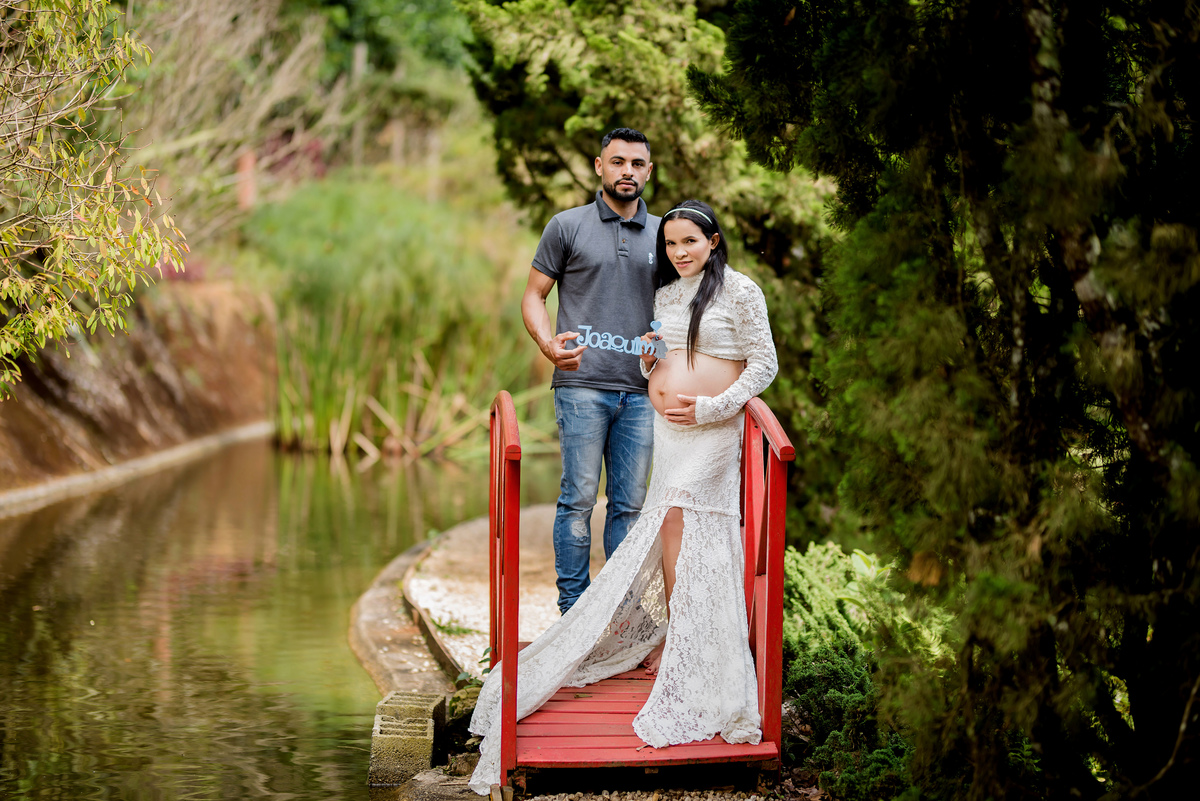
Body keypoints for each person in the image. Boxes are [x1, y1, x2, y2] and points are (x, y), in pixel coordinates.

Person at [469, 199, 778, 794]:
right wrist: (648, 362)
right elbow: (662, 361)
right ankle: (671, 639)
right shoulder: (665, 297)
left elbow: (762, 366)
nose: (679, 252)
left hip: (712, 432)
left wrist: (712, 406)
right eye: (670, 245)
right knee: (668, 529)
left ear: (714, 241)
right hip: (670, 430)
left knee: (700, 529)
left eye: (690, 242)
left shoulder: (742, 291)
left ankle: (702, 650)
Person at [522, 128, 660, 615]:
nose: (627, 171)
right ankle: (574, 613)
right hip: (581, 386)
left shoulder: (666, 235)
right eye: (617, 161)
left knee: (630, 508)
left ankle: (620, 616)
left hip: (644, 393)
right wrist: (547, 345)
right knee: (578, 499)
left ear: (648, 170)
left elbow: (683, 307)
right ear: (599, 166)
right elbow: (534, 295)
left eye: (637, 163)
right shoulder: (567, 226)